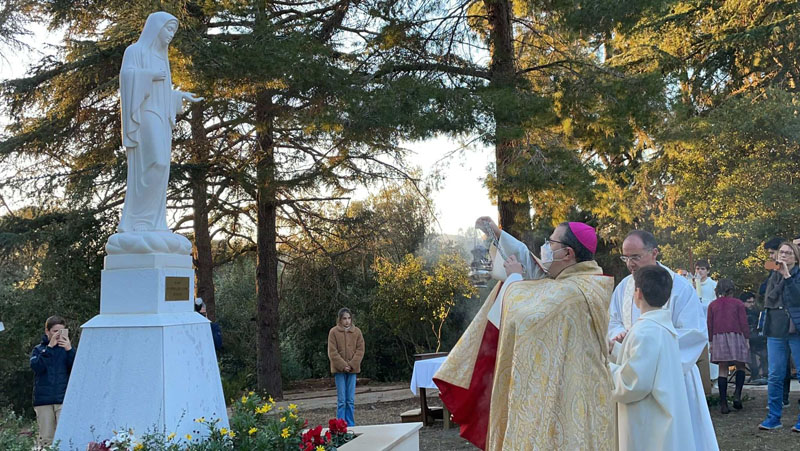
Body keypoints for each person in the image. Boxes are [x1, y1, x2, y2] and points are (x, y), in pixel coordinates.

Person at [435, 222, 615, 450]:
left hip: (569, 393)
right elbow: (535, 268)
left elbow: (523, 317)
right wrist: (498, 234)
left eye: (551, 243)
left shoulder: (573, 293)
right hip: (570, 386)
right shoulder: (578, 279)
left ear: (568, 253)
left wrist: (513, 281)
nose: (545, 247)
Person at [608, 230, 718, 451]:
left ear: (654, 252)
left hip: (673, 376)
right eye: (625, 257)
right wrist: (621, 336)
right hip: (634, 365)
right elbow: (614, 320)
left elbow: (694, 332)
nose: (630, 263)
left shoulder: (680, 286)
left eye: (635, 257)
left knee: (673, 437)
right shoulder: (624, 287)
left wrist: (649, 347)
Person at [117, 11, 202, 233]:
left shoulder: (162, 57)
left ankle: (153, 223)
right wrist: (149, 75)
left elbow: (162, 91)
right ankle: (138, 220)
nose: (171, 35)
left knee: (162, 166)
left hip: (161, 114)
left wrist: (177, 96)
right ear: (155, 28)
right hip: (144, 113)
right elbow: (126, 79)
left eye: (173, 30)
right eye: (168, 29)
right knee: (157, 161)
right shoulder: (135, 51)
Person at [610, 265, 695, 451]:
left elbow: (633, 384)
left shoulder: (645, 331)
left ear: (638, 293)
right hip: (662, 413)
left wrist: (604, 367)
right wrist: (614, 350)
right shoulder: (663, 328)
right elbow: (644, 361)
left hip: (648, 422)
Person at [758, 241, 800, 432]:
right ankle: (773, 417)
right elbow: (769, 299)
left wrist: (788, 277)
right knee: (775, 375)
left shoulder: (797, 274)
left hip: (796, 330)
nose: (783, 256)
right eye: (781, 252)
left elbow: (797, 298)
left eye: (788, 253)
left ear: (795, 257)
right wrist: (782, 277)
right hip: (775, 329)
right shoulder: (773, 275)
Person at [30, 315, 76, 447]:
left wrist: (69, 349)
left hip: (63, 399)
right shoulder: (38, 350)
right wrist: (49, 348)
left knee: (64, 437)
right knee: (46, 439)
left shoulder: (67, 350)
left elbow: (77, 370)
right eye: (55, 331)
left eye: (61, 331)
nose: (58, 334)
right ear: (47, 331)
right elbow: (37, 367)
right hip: (43, 401)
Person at [707, 279, 750, 413]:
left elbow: (710, 324)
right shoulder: (738, 304)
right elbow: (743, 321)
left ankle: (724, 403)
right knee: (740, 365)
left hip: (718, 336)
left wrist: (711, 342)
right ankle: (737, 394)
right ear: (732, 289)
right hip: (736, 335)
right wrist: (747, 338)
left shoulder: (712, 305)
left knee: (723, 368)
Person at [327, 308, 364, 427]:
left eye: (349, 318)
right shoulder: (333, 332)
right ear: (340, 319)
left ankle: (351, 425)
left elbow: (360, 350)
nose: (347, 321)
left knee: (350, 400)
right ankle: (340, 425)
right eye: (344, 318)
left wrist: (352, 364)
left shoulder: (357, 332)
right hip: (339, 370)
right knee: (342, 400)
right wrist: (343, 365)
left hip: (352, 370)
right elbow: (332, 352)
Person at [741, 291, 767, 383]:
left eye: (753, 302)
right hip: (744, 339)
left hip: (757, 337)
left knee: (765, 349)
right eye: (749, 302)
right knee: (750, 351)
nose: (752, 304)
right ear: (743, 302)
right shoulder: (740, 312)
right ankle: (755, 375)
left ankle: (765, 374)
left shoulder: (756, 311)